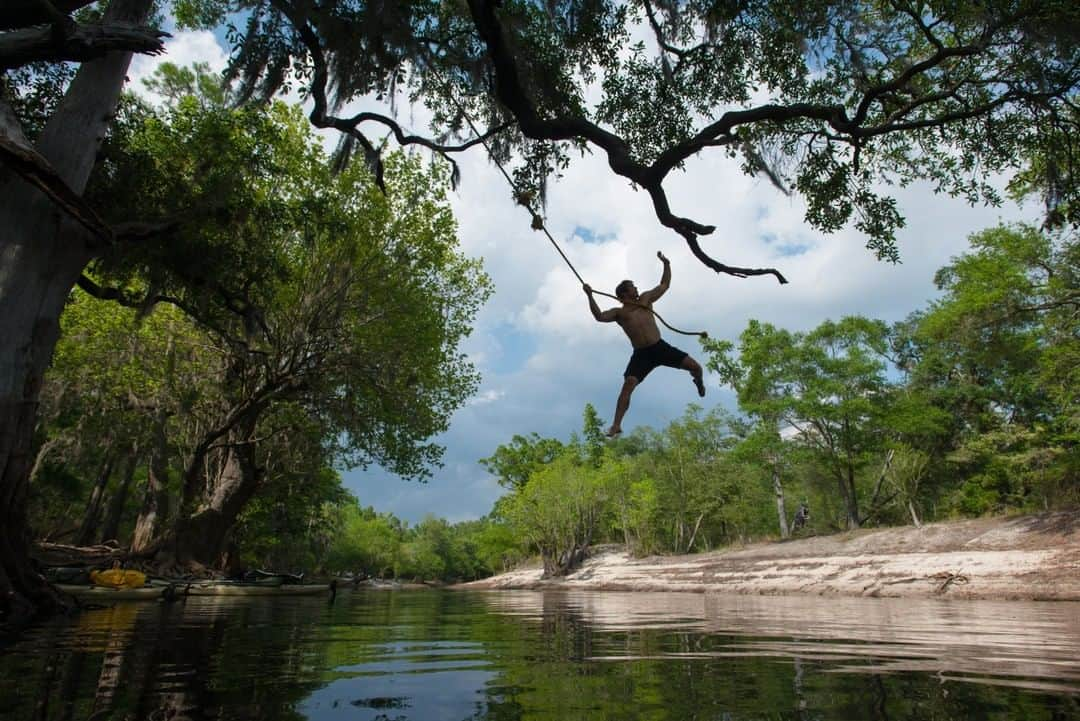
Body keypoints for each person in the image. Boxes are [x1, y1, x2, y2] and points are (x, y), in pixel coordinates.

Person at [584, 251, 705, 437]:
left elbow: (664, 285)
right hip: (641, 354)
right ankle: (616, 425)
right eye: (632, 287)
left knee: (696, 367)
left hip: (660, 348)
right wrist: (590, 295)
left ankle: (698, 381)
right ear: (625, 293)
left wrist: (666, 264)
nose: (636, 288)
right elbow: (599, 316)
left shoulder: (646, 300)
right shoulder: (620, 313)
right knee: (628, 385)